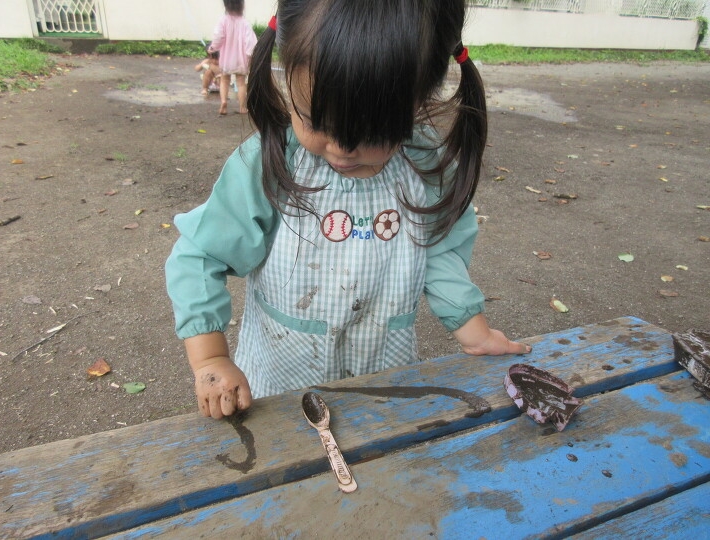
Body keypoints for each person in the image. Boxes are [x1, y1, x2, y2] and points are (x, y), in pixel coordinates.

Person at [166, 0, 531, 420]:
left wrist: (472, 329)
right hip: (280, 386)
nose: (340, 149)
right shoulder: (270, 164)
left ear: (418, 99)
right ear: (288, 75)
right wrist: (210, 359)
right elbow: (200, 254)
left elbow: (439, 249)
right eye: (314, 120)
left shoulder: (425, 167)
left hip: (380, 381)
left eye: (368, 132)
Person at [208, 0, 257, 115]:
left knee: (224, 80)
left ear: (226, 5)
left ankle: (224, 102)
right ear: (241, 5)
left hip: (226, 59)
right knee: (241, 83)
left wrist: (213, 47)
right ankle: (242, 107)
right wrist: (250, 55)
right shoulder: (245, 23)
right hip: (240, 59)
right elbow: (250, 42)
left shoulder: (223, 21)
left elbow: (218, 36)